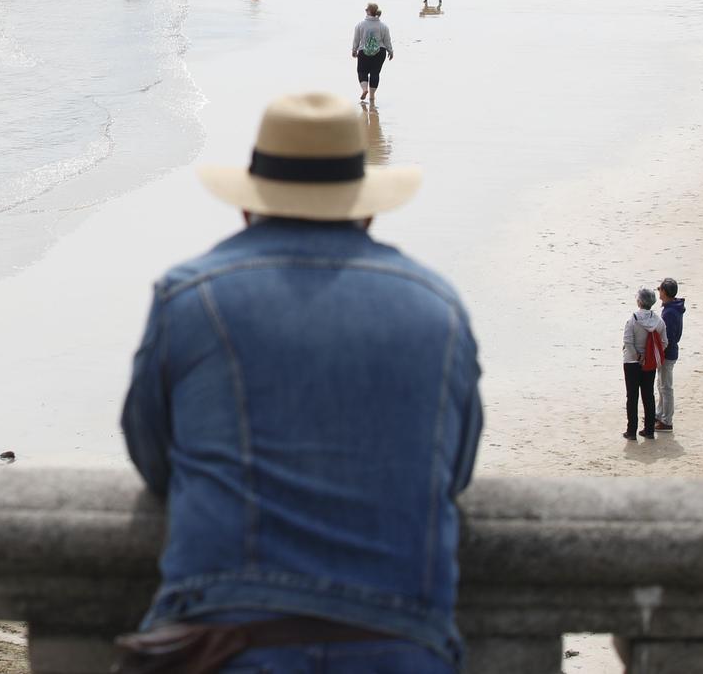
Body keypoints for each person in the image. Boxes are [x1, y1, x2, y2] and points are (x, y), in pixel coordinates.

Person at [123, 92, 480, 674]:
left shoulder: (190, 298)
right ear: (365, 209)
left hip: (222, 639)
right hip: (400, 641)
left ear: (247, 207)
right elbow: (455, 472)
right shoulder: (438, 309)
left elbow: (152, 459)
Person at [622, 288, 666, 441]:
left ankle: (631, 431)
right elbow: (664, 343)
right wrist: (647, 356)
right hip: (649, 363)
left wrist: (637, 356)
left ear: (639, 301)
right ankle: (649, 430)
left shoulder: (633, 319)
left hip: (631, 362)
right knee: (648, 395)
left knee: (632, 397)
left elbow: (628, 341)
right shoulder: (658, 321)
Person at [656, 278, 683, 431]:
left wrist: (660, 351)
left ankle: (666, 420)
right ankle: (660, 414)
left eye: (660, 289)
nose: (659, 291)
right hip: (669, 352)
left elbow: (669, 337)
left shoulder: (670, 311)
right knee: (661, 385)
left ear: (665, 292)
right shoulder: (672, 308)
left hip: (668, 353)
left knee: (665, 387)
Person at [352, 3, 392, 104]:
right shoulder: (383, 26)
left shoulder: (360, 25)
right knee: (375, 73)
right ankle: (372, 96)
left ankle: (364, 89)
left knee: (362, 71)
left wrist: (354, 50)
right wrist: (390, 51)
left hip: (363, 51)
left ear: (368, 11)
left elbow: (356, 39)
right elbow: (387, 40)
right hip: (380, 52)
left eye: (366, 9)